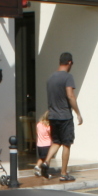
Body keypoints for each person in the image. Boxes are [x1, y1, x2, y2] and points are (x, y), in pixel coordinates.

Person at [42, 52, 82, 182]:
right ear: (69, 62)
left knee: (56, 141)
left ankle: (46, 162)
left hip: (53, 115)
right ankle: (64, 173)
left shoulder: (50, 78)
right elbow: (70, 96)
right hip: (65, 116)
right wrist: (78, 113)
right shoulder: (67, 77)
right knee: (66, 144)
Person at [33, 111, 52, 176]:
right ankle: (40, 168)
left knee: (41, 157)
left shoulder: (39, 124)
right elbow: (51, 134)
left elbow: (37, 132)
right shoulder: (48, 126)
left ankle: (39, 170)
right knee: (47, 159)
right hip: (46, 144)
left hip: (39, 144)